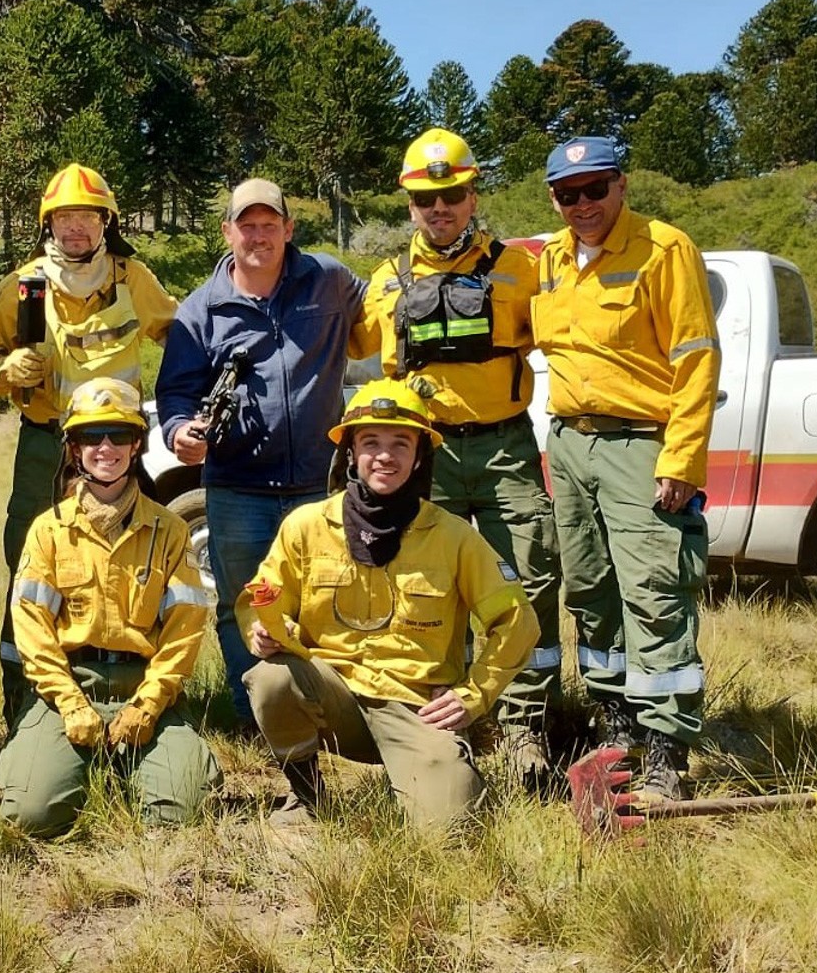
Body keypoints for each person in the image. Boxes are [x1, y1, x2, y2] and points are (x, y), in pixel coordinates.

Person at [348, 128, 563, 791]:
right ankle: (443, 722)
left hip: (504, 447)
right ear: (408, 204)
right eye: (425, 199)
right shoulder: (385, 283)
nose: (439, 209)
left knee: (529, 579)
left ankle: (527, 726)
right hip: (424, 455)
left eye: (452, 195)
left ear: (473, 196)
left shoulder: (520, 269)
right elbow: (343, 345)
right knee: (426, 590)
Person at [238, 380, 539, 828]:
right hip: (334, 697)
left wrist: (473, 697)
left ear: (420, 455)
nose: (385, 455)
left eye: (401, 443)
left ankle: (442, 772)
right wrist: (261, 630)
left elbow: (518, 622)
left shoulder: (454, 537)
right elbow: (261, 596)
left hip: (415, 707)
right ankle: (304, 794)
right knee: (271, 678)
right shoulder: (305, 526)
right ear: (351, 454)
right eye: (370, 443)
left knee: (453, 833)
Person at [532, 136, 719, 800]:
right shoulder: (550, 258)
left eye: (594, 189)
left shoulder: (665, 249)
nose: (581, 205)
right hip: (570, 444)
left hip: (643, 444)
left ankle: (668, 749)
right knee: (588, 590)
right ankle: (617, 725)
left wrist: (682, 458)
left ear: (622, 186)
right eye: (566, 194)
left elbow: (697, 359)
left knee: (654, 593)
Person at [155, 177, 362, 734]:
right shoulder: (201, 311)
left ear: (289, 229)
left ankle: (330, 715)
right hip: (238, 489)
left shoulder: (330, 280)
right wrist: (181, 432)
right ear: (228, 232)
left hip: (319, 486)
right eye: (247, 225)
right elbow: (174, 393)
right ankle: (260, 722)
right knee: (242, 605)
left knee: (324, 602)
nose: (259, 236)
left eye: (270, 225)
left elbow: (381, 315)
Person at [0, 164, 176, 723]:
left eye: (87, 217)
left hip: (114, 449)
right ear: (48, 224)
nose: (75, 229)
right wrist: (3, 368)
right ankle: (21, 709)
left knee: (116, 571)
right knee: (30, 572)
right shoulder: (24, 284)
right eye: (64, 217)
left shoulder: (132, 278)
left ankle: (119, 695)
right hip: (46, 444)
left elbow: (181, 333)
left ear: (106, 223)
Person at [0, 379, 220, 836]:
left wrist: (150, 704)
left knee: (178, 816)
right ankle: (68, 761)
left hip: (142, 686)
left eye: (118, 435)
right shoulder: (48, 531)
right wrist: (68, 702)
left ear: (136, 442)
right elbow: (33, 631)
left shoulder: (171, 531)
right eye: (91, 436)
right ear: (73, 447)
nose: (106, 448)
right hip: (69, 687)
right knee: (31, 816)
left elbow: (183, 632)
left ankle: (141, 765)